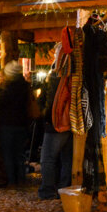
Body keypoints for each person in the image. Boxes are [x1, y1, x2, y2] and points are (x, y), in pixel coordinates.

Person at [37, 52, 72, 200]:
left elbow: (51, 101)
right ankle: (64, 189)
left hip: (56, 122)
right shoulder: (73, 74)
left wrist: (45, 117)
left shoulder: (55, 76)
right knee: (67, 158)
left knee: (48, 159)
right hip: (71, 121)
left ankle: (48, 190)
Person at [0, 61, 30, 187]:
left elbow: (0, 103)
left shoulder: (8, 88)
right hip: (22, 124)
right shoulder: (25, 86)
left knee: (9, 154)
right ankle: (21, 179)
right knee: (19, 154)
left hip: (8, 124)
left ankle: (12, 181)